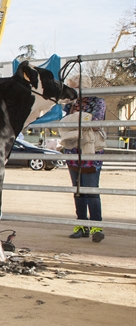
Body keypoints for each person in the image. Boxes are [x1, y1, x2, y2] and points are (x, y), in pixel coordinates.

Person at [61, 75, 106, 242]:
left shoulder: (98, 102)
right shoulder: (70, 104)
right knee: (78, 190)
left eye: (74, 88)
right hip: (73, 150)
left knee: (91, 189)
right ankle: (81, 225)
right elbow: (64, 123)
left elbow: (95, 123)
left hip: (90, 150)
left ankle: (96, 226)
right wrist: (80, 119)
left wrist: (76, 119)